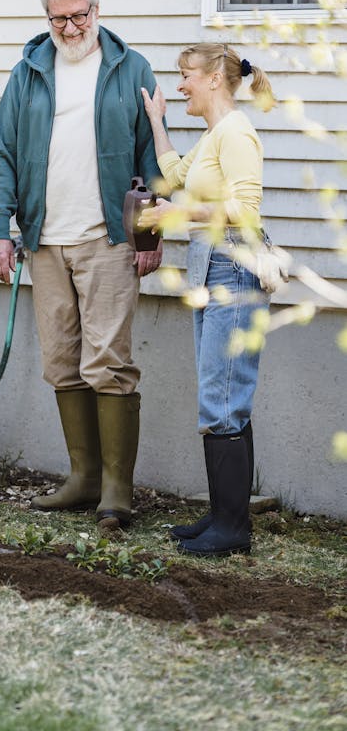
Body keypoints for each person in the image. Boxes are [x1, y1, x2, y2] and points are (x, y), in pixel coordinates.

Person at [0, 0, 162, 531]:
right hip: (44, 240)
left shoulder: (129, 68)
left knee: (108, 362)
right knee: (63, 363)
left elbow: (152, 159)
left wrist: (149, 234)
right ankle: (83, 478)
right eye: (58, 18)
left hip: (108, 239)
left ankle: (117, 490)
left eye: (79, 14)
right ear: (47, 20)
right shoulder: (29, 73)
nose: (70, 26)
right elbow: (3, 153)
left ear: (97, 11)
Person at [139, 43, 275, 557]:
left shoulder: (237, 132)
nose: (180, 85)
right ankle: (223, 516)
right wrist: (157, 120)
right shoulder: (216, 134)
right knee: (220, 396)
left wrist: (175, 217)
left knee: (222, 399)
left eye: (185, 76)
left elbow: (244, 209)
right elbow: (172, 175)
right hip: (214, 269)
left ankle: (233, 530)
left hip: (234, 270)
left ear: (215, 78)